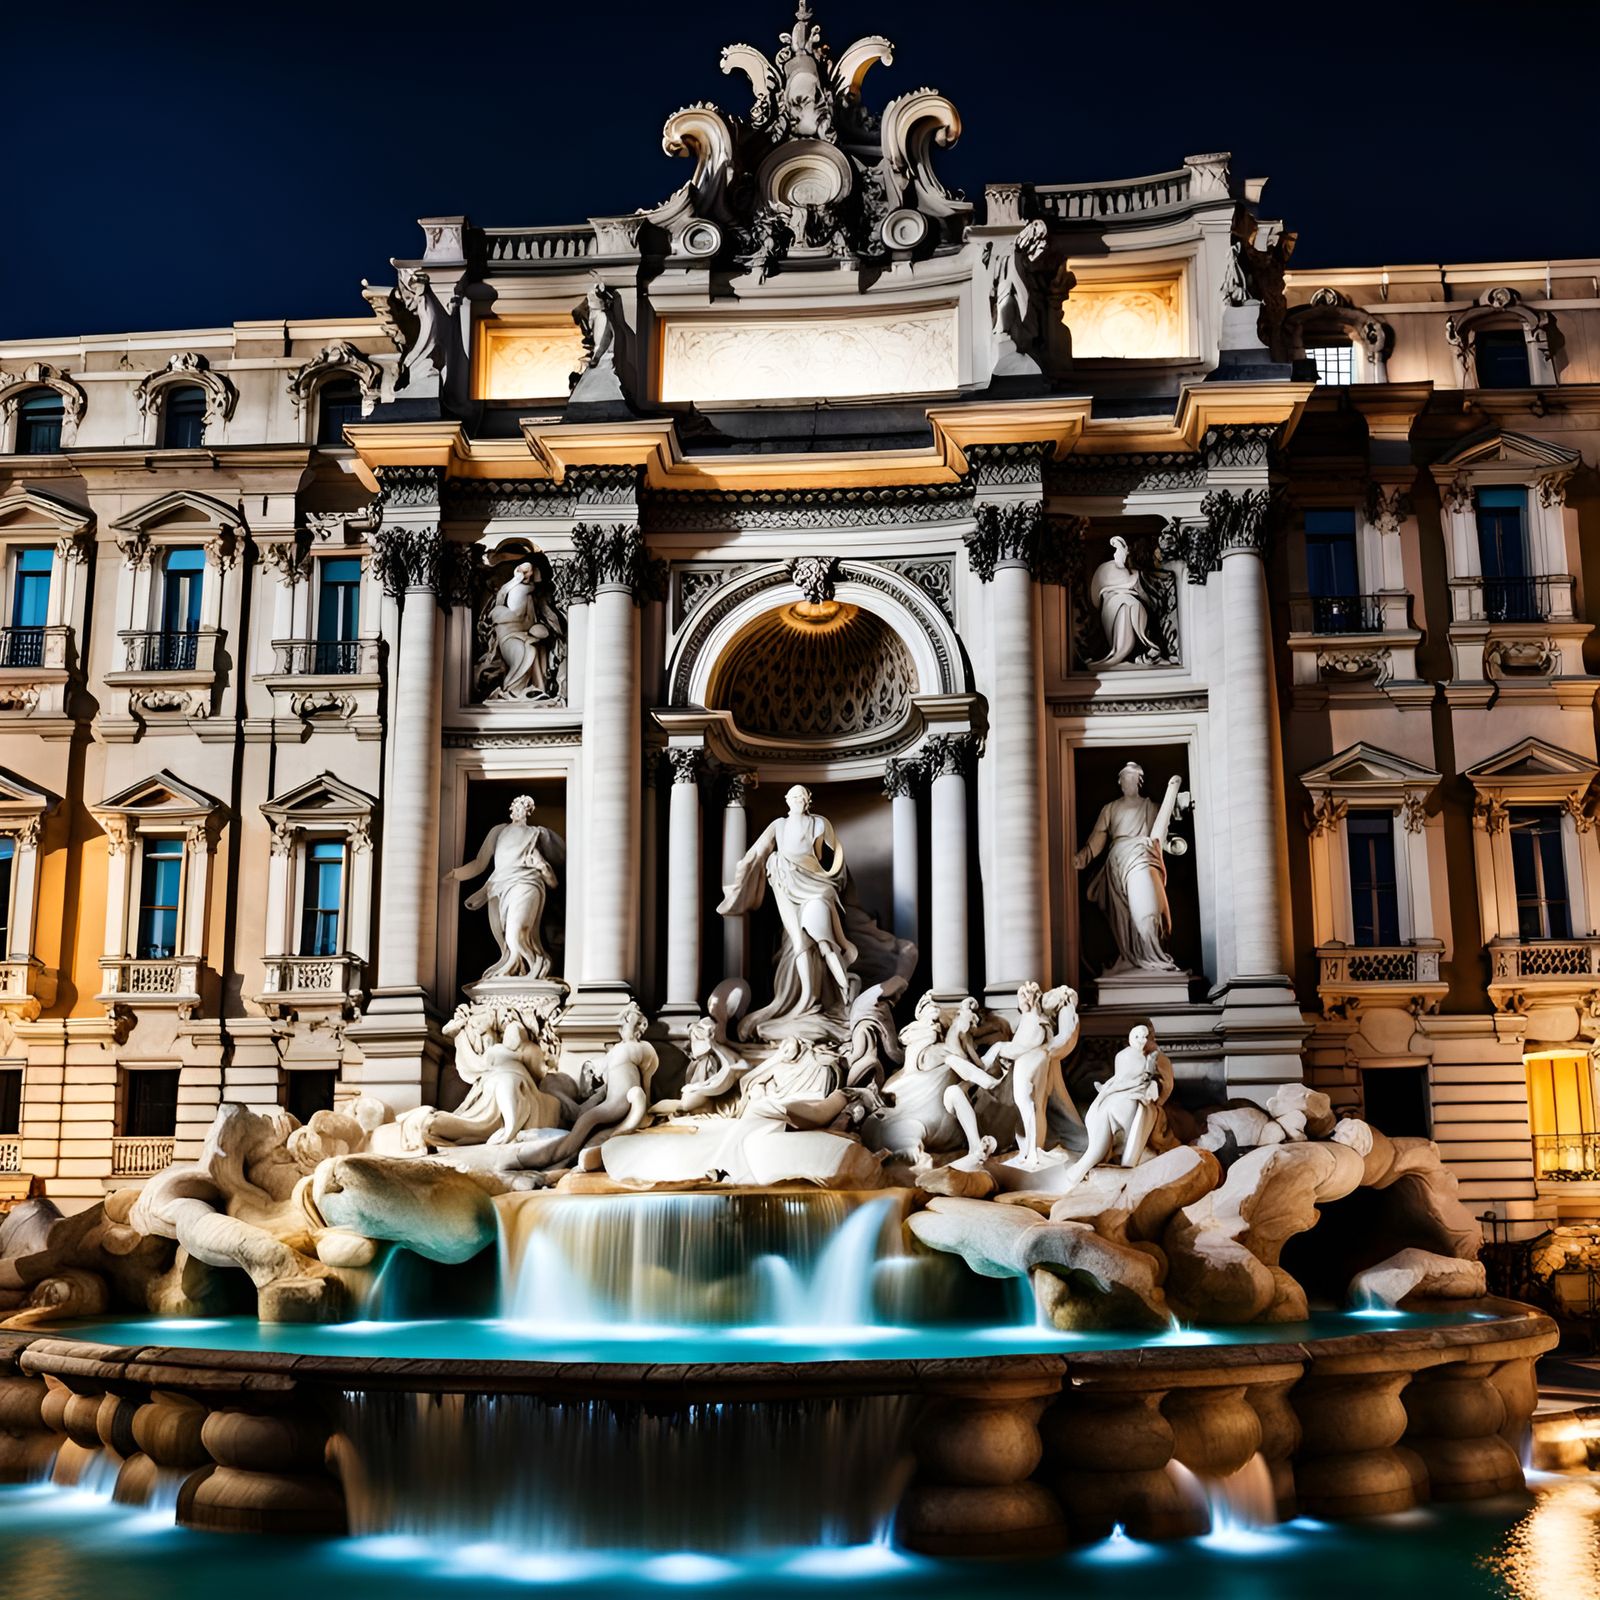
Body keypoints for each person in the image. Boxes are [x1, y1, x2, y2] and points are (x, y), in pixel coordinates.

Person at [717, 785, 857, 1039]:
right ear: (786, 800)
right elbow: (758, 851)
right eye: (793, 798)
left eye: (801, 798)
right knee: (799, 943)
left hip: (816, 888)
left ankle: (845, 994)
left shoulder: (819, 823)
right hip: (786, 888)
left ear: (808, 800)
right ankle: (807, 999)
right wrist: (743, 871)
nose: (797, 802)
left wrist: (831, 878)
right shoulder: (779, 825)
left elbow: (837, 856)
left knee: (825, 941)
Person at [1073, 763, 1185, 973]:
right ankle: (1132, 957)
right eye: (1124, 778)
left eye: (1131, 778)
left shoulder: (1150, 807)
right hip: (1116, 864)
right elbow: (1098, 838)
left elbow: (1159, 835)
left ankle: (1154, 959)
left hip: (1141, 856)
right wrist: (1083, 857)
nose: (1126, 782)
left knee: (1147, 910)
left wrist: (1170, 843)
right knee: (1124, 918)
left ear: (1139, 782)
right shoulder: (1110, 808)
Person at [444, 796, 565, 980]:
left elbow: (553, 881)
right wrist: (454, 874)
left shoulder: (535, 834)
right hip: (499, 887)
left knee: (515, 934)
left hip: (527, 884)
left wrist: (542, 867)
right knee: (508, 937)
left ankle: (535, 970)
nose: (521, 810)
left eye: (525, 807)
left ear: (529, 812)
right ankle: (527, 968)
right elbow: (479, 863)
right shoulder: (499, 831)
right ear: (511, 810)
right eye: (517, 806)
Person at [1054, 1024, 1175, 1191]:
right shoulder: (1149, 1057)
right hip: (1132, 1097)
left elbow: (1121, 1080)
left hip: (1116, 1097)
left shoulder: (1132, 1056)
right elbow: (1165, 1087)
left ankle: (1080, 1172)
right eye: (1139, 1037)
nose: (1142, 1040)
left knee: (1097, 1148)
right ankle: (1123, 1169)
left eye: (1145, 1037)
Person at [473, 560, 563, 700]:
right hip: (508, 636)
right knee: (527, 652)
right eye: (521, 571)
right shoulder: (510, 590)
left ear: (533, 573)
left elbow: (540, 618)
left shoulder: (533, 596)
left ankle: (534, 690)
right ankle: (511, 691)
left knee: (534, 649)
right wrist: (515, 581)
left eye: (527, 572)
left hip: (525, 635)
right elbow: (502, 603)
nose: (524, 575)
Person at [1086, 537, 1162, 668]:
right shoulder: (1113, 573)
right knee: (1124, 603)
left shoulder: (1138, 575)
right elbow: (1101, 593)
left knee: (1128, 603)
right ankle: (1117, 653)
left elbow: (1152, 599)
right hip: (1116, 607)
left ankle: (1124, 653)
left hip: (1135, 609)